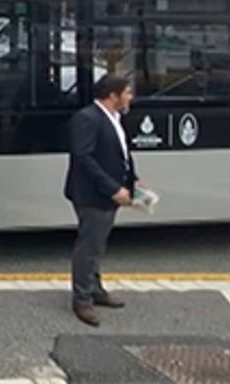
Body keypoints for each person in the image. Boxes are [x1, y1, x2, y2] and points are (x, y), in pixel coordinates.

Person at [64, 74, 142, 327]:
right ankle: (82, 299)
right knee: (89, 247)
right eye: (127, 92)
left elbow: (120, 155)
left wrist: (133, 180)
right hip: (92, 194)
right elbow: (83, 158)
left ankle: (94, 288)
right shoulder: (87, 119)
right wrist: (112, 189)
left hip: (107, 192)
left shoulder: (115, 118)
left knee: (98, 244)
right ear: (113, 95)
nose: (130, 97)